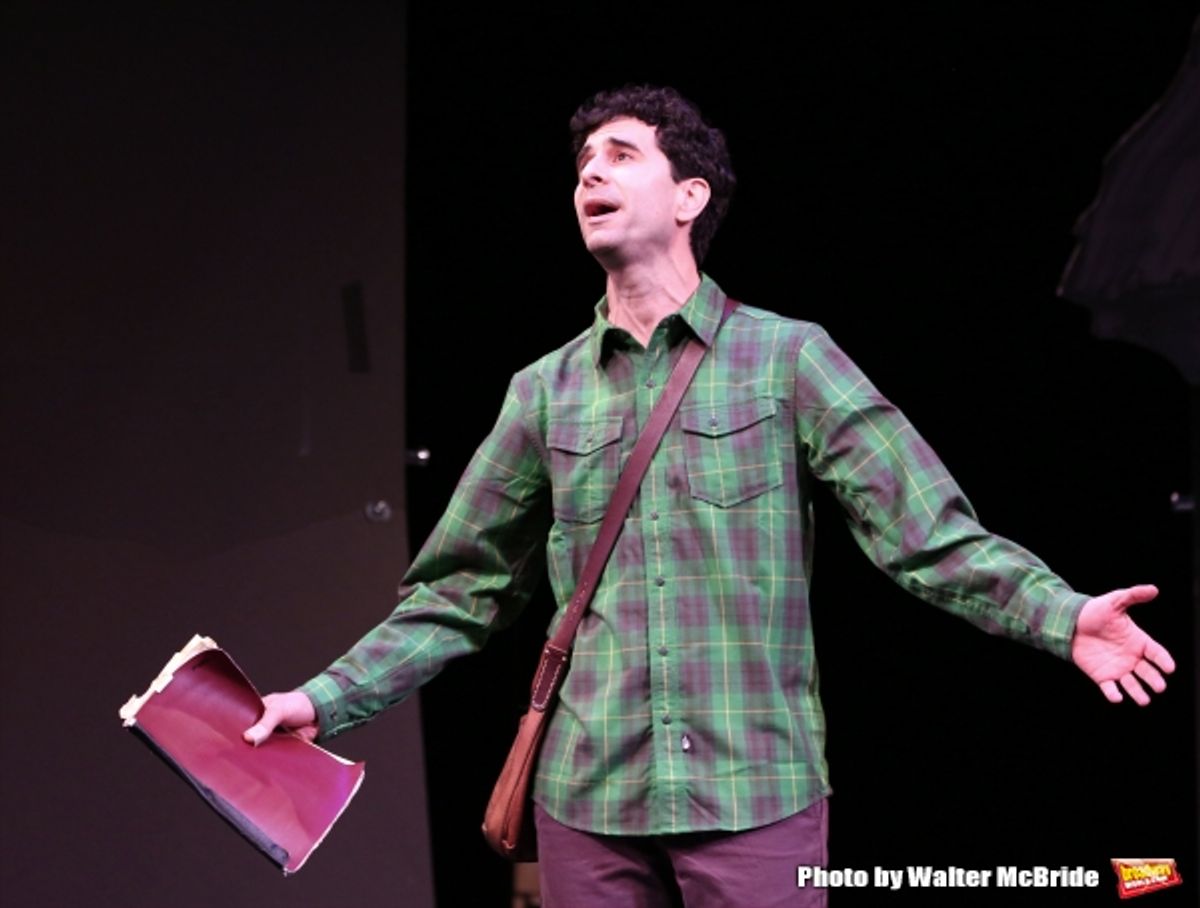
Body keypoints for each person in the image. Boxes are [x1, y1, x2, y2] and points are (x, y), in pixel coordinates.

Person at [244, 85, 1176, 907]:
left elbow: (928, 534)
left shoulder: (788, 357)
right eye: (580, 164)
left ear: (690, 197)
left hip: (754, 793)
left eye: (620, 155)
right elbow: (457, 591)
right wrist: (326, 700)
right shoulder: (544, 391)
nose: (589, 176)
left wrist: (1062, 616)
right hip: (589, 803)